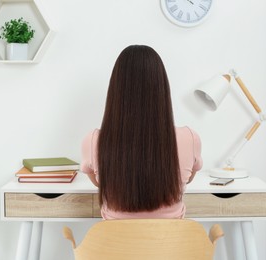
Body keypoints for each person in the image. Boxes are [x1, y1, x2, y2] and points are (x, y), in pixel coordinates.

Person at [81, 45, 202, 219]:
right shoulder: (190, 138)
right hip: (170, 245)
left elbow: (99, 183)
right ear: (161, 88)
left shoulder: (94, 141)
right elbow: (188, 179)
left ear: (116, 90)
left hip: (115, 245)